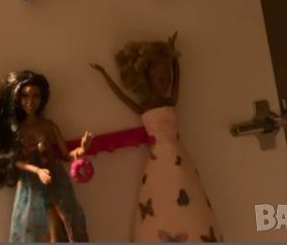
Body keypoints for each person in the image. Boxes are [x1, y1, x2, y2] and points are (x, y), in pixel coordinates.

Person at [90, 33, 221, 242]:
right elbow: (121, 95)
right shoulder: (144, 106)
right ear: (147, 79)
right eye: (161, 78)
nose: (166, 83)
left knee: (189, 195)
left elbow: (178, 79)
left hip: (180, 156)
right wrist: (104, 74)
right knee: (160, 198)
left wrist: (174, 56)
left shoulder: (171, 99)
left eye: (167, 78)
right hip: (157, 159)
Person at [0, 70, 91, 242]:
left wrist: (81, 149)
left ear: (42, 99)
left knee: (64, 222)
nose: (30, 102)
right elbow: (16, 160)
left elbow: (66, 155)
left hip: (55, 180)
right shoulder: (18, 130)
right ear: (18, 99)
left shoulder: (49, 126)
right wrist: (37, 171)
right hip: (32, 185)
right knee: (38, 227)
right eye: (25, 96)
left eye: (36, 96)